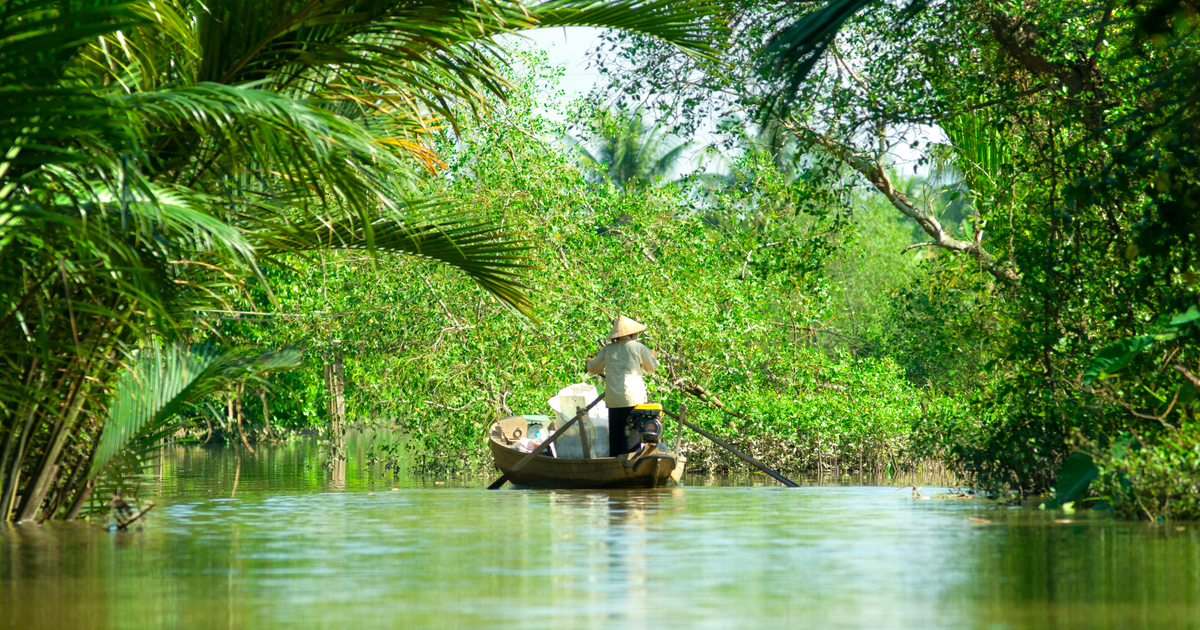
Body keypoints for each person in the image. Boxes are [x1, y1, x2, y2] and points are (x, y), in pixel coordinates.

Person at [585, 315, 658, 457]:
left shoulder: (608, 349)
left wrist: (588, 363)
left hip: (615, 400)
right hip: (634, 400)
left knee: (616, 438)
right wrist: (652, 357)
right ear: (632, 334)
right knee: (631, 437)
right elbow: (651, 368)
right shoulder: (639, 348)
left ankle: (615, 465)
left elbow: (594, 368)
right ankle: (631, 466)